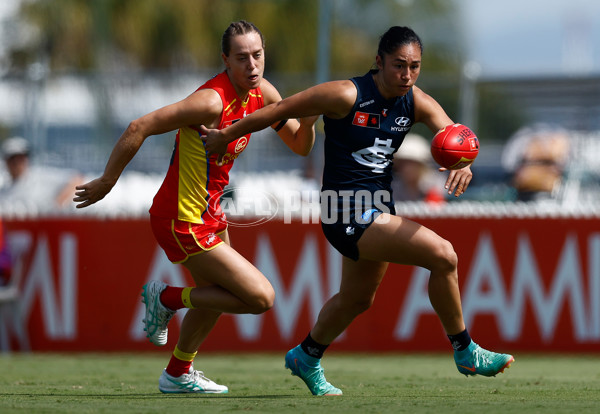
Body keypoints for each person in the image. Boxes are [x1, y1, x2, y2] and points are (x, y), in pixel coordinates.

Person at [201, 26, 514, 396]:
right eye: (399, 66)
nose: (407, 75)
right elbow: (281, 109)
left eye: (415, 67)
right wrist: (227, 133)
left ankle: (306, 355)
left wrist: (464, 161)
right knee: (443, 255)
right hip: (343, 210)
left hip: (378, 207)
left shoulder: (414, 100)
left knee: (357, 299)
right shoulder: (345, 94)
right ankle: (465, 350)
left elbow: (452, 133)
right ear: (378, 62)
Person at [73, 20, 317, 394]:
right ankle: (166, 297)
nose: (252, 65)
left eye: (257, 55)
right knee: (261, 297)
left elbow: (301, 145)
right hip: (181, 219)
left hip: (211, 214)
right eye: (241, 58)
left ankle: (177, 373)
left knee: (217, 296)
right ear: (225, 60)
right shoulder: (210, 101)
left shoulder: (263, 93)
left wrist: (313, 113)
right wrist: (108, 180)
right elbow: (140, 125)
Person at [0, 136, 81, 211]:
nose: (17, 163)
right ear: (6, 161)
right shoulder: (4, 190)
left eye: (21, 158)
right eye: (13, 159)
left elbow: (76, 179)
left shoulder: (40, 176)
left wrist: (59, 205)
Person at [501, 124, 570, 201]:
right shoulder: (523, 138)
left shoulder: (558, 140)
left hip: (550, 193)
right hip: (524, 194)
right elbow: (509, 165)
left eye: (546, 163)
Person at [391, 133, 445, 203]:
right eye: (403, 163)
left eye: (411, 163)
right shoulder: (394, 188)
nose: (406, 168)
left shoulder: (437, 185)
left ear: (422, 165)